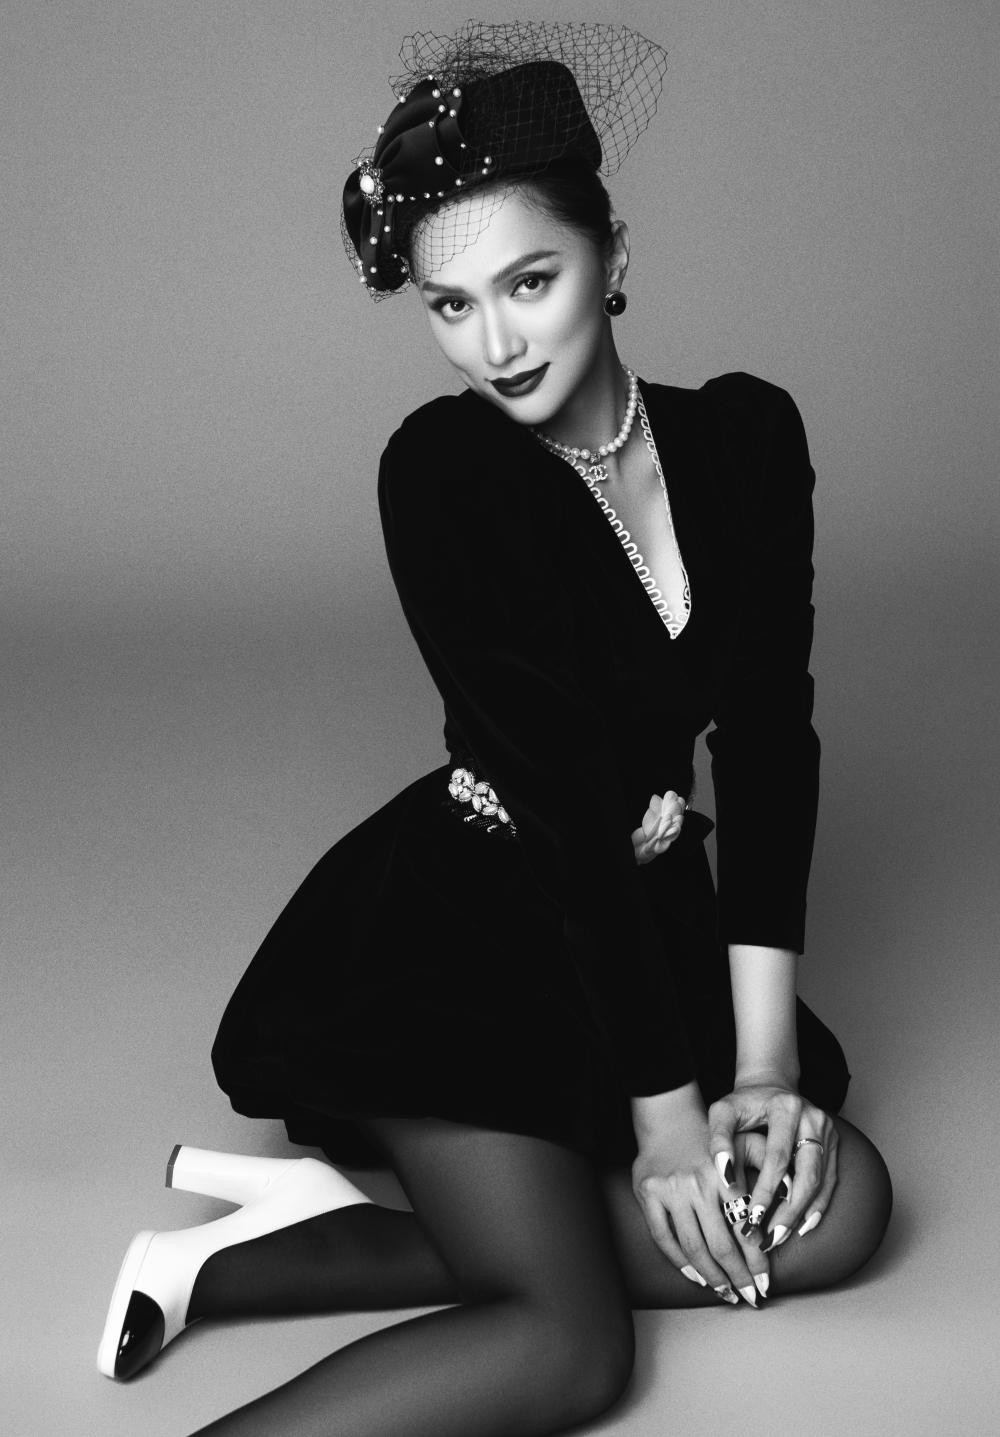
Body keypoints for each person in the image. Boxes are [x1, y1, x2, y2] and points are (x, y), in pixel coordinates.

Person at [97, 21, 893, 1435]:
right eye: (451, 304)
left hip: (643, 922)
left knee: (842, 1209)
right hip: (466, 935)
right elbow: (568, 805)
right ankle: (315, 1253)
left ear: (613, 254)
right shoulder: (445, 473)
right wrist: (665, 1123)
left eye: (532, 282)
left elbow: (770, 745)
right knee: (569, 1347)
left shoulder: (746, 441)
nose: (498, 342)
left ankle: (277, 1241)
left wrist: (763, 1068)